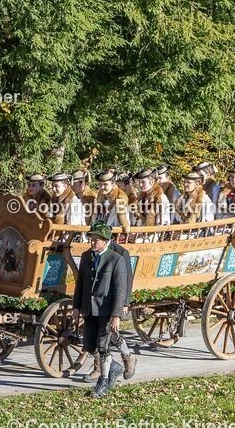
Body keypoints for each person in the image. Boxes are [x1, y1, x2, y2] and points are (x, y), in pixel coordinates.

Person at [72, 221, 129, 398]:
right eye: (91, 239)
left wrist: (116, 315)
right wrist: (76, 306)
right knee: (89, 345)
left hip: (107, 311)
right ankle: (114, 366)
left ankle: (103, 382)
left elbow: (120, 290)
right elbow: (80, 284)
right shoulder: (86, 257)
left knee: (103, 347)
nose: (92, 242)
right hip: (90, 309)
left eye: (96, 240)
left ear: (105, 241)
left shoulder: (116, 260)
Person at [134, 168, 172, 233]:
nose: (140, 185)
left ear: (151, 181)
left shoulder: (160, 198)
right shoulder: (142, 198)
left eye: (143, 182)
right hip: (143, 230)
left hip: (156, 233)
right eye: (139, 182)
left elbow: (163, 223)